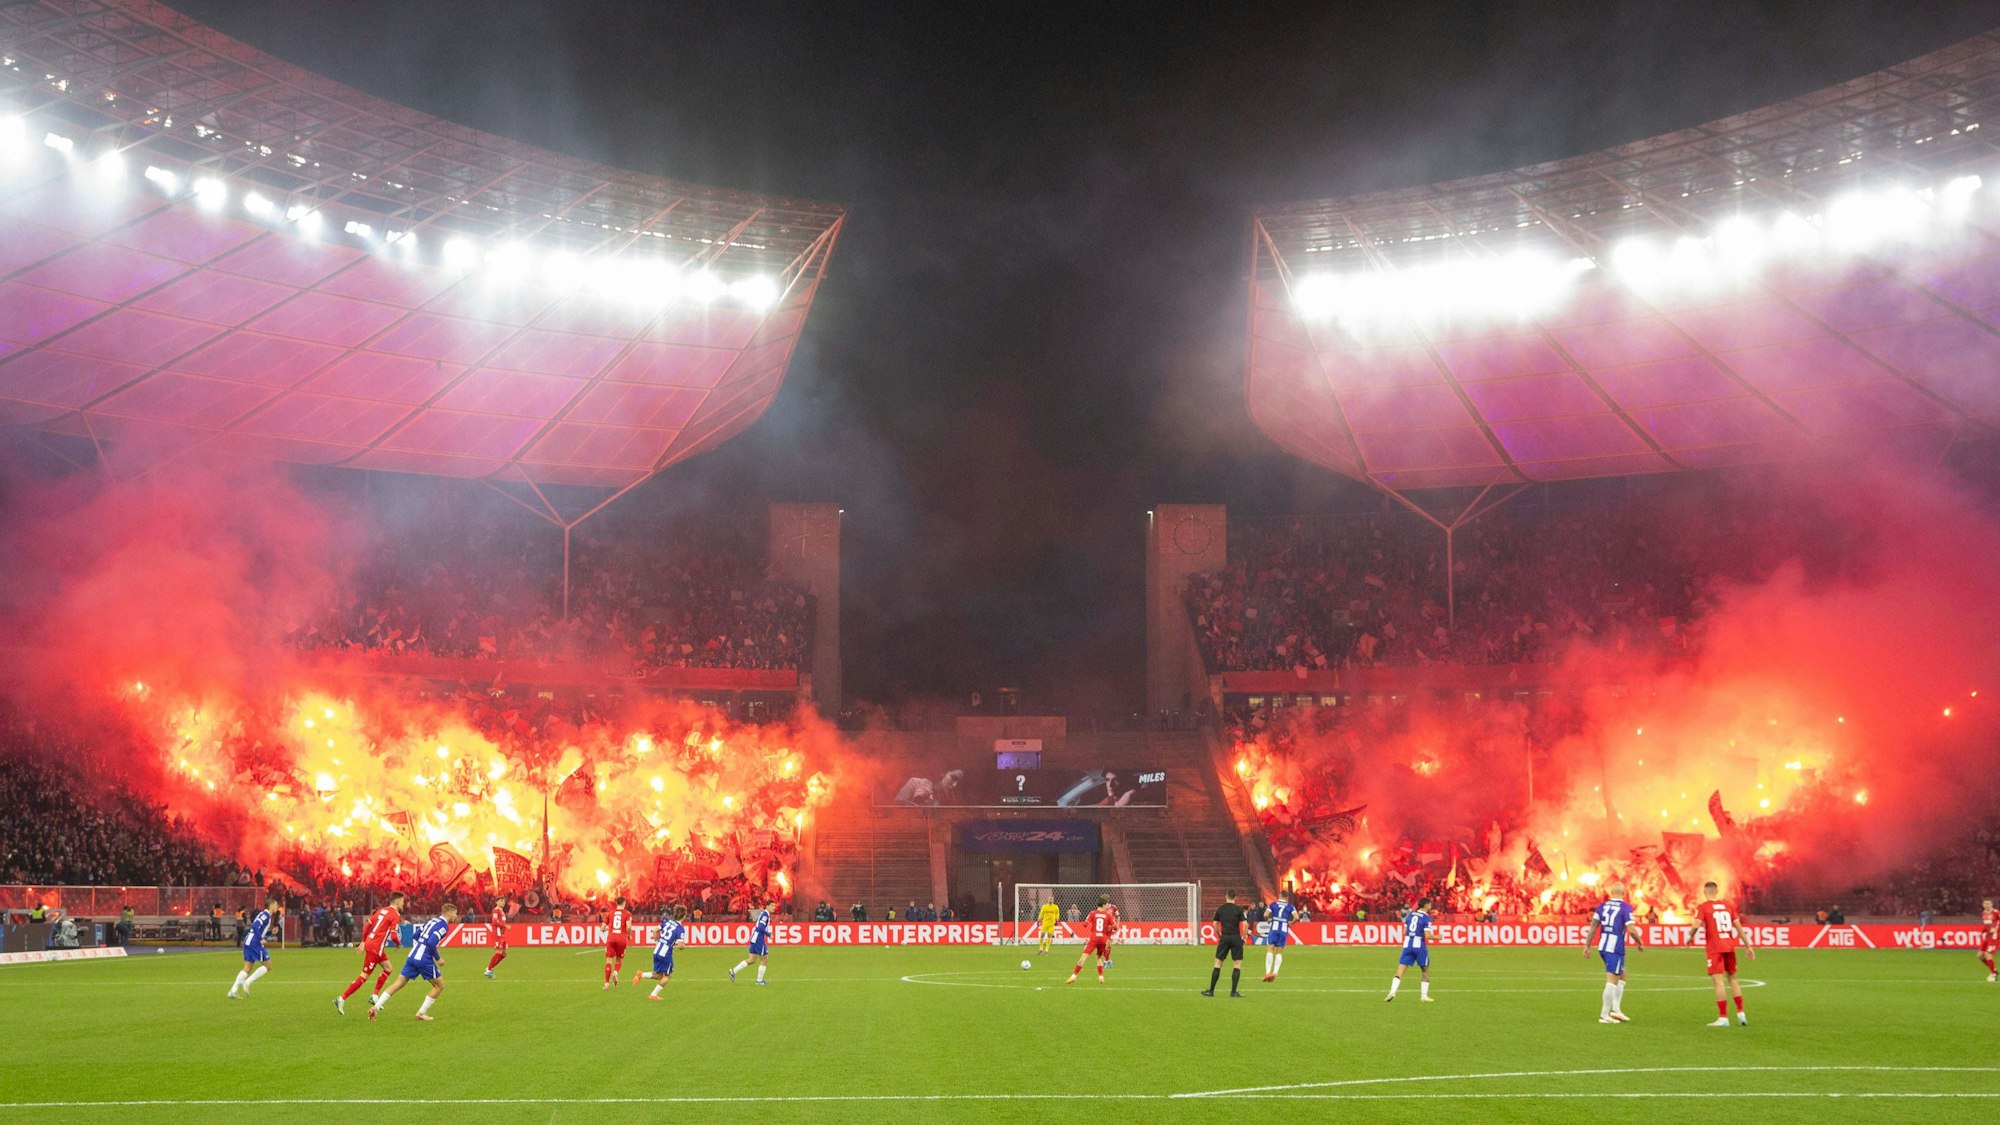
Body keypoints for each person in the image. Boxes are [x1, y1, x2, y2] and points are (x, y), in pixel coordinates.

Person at [369, 903, 457, 1022]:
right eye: (455, 913)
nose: (456, 916)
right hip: (424, 958)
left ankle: (376, 1007)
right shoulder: (443, 926)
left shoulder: (432, 921)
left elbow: (416, 935)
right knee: (439, 986)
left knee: (398, 983)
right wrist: (438, 958)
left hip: (412, 955)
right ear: (449, 913)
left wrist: (422, 944)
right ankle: (421, 1013)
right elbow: (431, 943)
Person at [1691, 881, 1754, 1027]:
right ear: (1717, 891)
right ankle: (1741, 1014)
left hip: (1715, 947)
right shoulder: (1728, 906)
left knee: (1718, 982)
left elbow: (1696, 925)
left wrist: (1689, 937)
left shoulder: (1704, 907)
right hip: (1730, 946)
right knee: (1733, 980)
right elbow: (1739, 928)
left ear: (1704, 892)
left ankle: (1723, 1017)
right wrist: (1748, 946)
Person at [335, 891, 404, 1014]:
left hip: (374, 945)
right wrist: (398, 943)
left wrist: (363, 941)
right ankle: (341, 998)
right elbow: (394, 935)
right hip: (375, 948)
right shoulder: (395, 915)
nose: (403, 903)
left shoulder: (381, 910)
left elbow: (367, 925)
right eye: (403, 901)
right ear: (397, 901)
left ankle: (375, 996)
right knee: (363, 977)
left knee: (388, 968)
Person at [1585, 883, 1642, 1024]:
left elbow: (1593, 927)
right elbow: (1632, 930)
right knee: (1612, 981)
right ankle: (1604, 1015)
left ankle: (1616, 1010)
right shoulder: (1625, 908)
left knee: (1622, 975)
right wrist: (1639, 942)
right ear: (1624, 893)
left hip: (1603, 945)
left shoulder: (1602, 906)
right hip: (1614, 948)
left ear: (1611, 892)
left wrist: (1587, 946)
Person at [227, 897, 281, 1000]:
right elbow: (255, 926)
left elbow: (259, 929)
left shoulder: (265, 916)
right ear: (270, 906)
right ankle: (247, 982)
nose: (277, 907)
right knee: (268, 965)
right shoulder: (265, 915)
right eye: (275, 905)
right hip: (254, 942)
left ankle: (233, 991)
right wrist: (261, 939)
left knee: (247, 968)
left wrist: (270, 933)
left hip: (249, 940)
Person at [1386, 897, 1434, 1002]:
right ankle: (1424, 996)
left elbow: (1404, 932)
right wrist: (1438, 937)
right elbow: (1428, 935)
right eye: (1430, 905)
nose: (1431, 906)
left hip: (1407, 945)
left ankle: (1392, 992)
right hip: (1419, 946)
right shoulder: (1426, 918)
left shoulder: (1410, 915)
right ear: (1425, 906)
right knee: (1425, 970)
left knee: (1400, 970)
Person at [635, 906, 688, 1000]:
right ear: (684, 916)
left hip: (657, 950)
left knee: (659, 975)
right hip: (665, 953)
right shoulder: (680, 929)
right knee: (668, 975)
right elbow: (680, 946)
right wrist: (683, 945)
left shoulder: (666, 922)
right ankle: (653, 995)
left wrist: (657, 942)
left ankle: (641, 975)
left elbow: (655, 931)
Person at [1204, 891, 1248, 998]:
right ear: (1235, 898)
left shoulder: (1221, 909)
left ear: (1226, 897)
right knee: (1237, 964)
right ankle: (1233, 992)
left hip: (1225, 937)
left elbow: (1214, 924)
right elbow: (1245, 924)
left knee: (1218, 963)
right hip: (1236, 937)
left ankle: (1211, 991)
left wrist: (1219, 934)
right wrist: (1244, 938)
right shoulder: (1239, 909)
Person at [1066, 895, 1118, 984]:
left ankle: (1074, 976)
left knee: (1084, 956)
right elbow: (1115, 927)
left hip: (1094, 938)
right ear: (1103, 905)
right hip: (1103, 939)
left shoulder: (1092, 913)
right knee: (1098, 957)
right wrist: (1108, 928)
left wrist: (1088, 923)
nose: (1107, 906)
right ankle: (1101, 976)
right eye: (1106, 905)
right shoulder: (1108, 915)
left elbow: (1085, 924)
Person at [731, 900, 776, 985]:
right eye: (772, 906)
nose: (774, 907)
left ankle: (733, 971)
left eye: (774, 906)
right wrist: (768, 934)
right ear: (767, 906)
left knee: (752, 960)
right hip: (758, 939)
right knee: (764, 959)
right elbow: (760, 928)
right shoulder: (765, 915)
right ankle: (759, 981)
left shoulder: (764, 914)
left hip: (754, 938)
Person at [1264, 889, 1297, 982]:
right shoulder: (1290, 906)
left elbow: (1265, 914)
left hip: (1274, 929)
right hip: (1283, 930)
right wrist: (1291, 923)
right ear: (1287, 898)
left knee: (1270, 949)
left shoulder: (1273, 904)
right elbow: (1297, 917)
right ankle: (1275, 972)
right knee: (1279, 952)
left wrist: (1269, 919)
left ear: (1279, 895)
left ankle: (1267, 972)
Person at [602, 895, 631, 989]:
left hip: (611, 938)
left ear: (616, 903)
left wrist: (608, 928)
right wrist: (629, 935)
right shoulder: (627, 914)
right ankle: (616, 972)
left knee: (609, 960)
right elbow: (629, 926)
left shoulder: (610, 913)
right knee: (619, 959)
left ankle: (606, 984)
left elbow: (602, 928)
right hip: (621, 939)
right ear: (624, 903)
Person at [485, 895, 511, 979]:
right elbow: (494, 922)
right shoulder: (496, 910)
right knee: (498, 952)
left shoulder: (502, 912)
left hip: (502, 935)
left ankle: (490, 969)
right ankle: (488, 969)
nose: (502, 902)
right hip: (497, 934)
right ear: (496, 902)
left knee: (504, 954)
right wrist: (505, 926)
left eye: (503, 901)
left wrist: (504, 928)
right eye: (500, 901)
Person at [1979, 898, 1997, 983]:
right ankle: (1994, 970)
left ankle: (1993, 975)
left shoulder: (1996, 912)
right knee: (1980, 956)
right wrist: (1982, 932)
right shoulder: (1983, 913)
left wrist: (1996, 929)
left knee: (1988, 954)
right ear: (1983, 905)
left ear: (1992, 904)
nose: (1987, 905)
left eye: (1989, 903)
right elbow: (1987, 925)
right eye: (1985, 904)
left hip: (1995, 937)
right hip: (1987, 937)